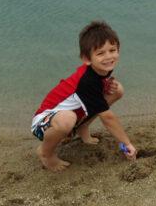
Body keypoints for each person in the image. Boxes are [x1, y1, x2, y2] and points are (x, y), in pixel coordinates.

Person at [31, 20, 137, 171]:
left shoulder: (102, 68)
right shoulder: (86, 81)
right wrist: (127, 144)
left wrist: (106, 84)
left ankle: (82, 128)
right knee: (67, 120)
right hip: (43, 120)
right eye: (100, 53)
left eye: (112, 50)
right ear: (87, 59)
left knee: (117, 89)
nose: (108, 57)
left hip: (73, 113)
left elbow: (95, 89)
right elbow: (107, 118)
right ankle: (45, 153)